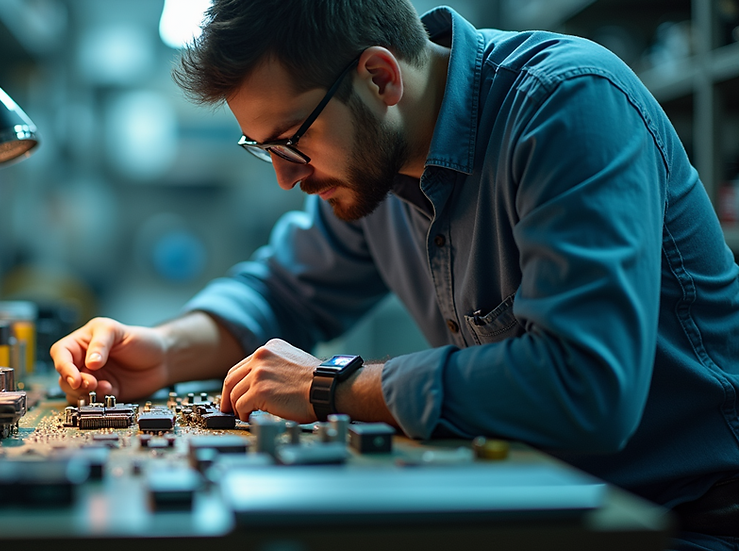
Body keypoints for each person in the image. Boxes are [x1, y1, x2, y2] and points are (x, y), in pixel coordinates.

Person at [51, 1, 739, 548]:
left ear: (380, 77)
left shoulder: (566, 106)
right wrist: (163, 349)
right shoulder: (378, 170)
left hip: (681, 520)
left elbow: (583, 384)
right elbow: (280, 288)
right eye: (263, 151)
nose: (289, 178)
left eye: (291, 141)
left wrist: (335, 385)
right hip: (544, 497)